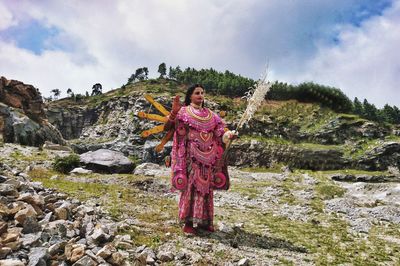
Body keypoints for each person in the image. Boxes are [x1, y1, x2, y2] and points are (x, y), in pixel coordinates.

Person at [165, 84, 237, 235]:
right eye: (197, 93)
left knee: (207, 190)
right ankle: (188, 222)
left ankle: (205, 222)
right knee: (191, 188)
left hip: (209, 159)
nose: (200, 95)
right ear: (190, 95)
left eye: (202, 93)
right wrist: (173, 113)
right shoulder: (183, 112)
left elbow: (220, 132)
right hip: (191, 158)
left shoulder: (211, 115)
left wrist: (229, 135)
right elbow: (168, 127)